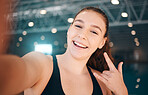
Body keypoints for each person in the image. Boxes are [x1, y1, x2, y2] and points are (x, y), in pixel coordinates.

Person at [0, 7, 128, 95]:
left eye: (94, 32)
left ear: (102, 42)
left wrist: (122, 92)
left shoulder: (102, 84)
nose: (82, 35)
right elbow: (13, 73)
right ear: (69, 30)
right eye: (78, 26)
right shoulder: (43, 65)